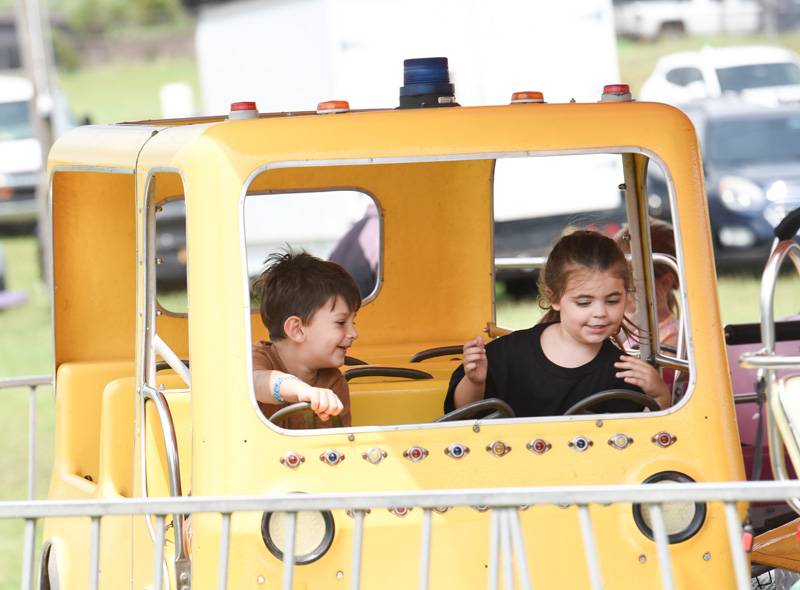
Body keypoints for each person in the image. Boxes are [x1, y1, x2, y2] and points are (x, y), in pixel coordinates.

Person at [444, 230, 671, 416]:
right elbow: (463, 416)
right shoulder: (506, 354)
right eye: (584, 302)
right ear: (554, 298)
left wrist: (661, 396)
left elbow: (633, 439)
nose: (600, 312)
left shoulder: (622, 372)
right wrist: (474, 382)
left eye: (613, 300)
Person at [251, 251, 360, 428]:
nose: (354, 333)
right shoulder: (258, 359)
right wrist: (301, 390)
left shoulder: (333, 382)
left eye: (352, 322)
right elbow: (257, 383)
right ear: (297, 329)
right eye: (341, 322)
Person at [615, 219, 679, 348]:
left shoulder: (671, 338)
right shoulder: (622, 324)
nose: (619, 293)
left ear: (666, 283)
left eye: (630, 287)